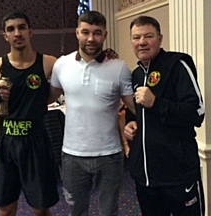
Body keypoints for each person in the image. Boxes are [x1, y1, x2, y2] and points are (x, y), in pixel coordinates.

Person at [49, 10, 135, 216]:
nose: (91, 38)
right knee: (76, 211)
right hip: (72, 155)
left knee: (109, 212)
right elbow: (48, 98)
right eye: (86, 32)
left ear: (105, 35)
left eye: (97, 33)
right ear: (77, 33)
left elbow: (134, 106)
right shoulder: (61, 65)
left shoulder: (119, 67)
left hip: (110, 156)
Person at [0, 11, 59, 216]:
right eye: (11, 29)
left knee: (40, 208)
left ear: (30, 31)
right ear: (5, 36)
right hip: (6, 141)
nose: (17, 33)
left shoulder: (49, 64)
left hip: (36, 139)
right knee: (6, 208)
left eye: (21, 27)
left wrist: (106, 55)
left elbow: (79, 66)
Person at [124, 15, 205, 216]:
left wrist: (156, 103)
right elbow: (139, 114)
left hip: (178, 176)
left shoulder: (177, 65)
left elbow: (197, 112)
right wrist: (131, 123)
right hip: (145, 178)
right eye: (136, 37)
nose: (141, 42)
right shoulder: (135, 74)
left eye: (148, 36)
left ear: (160, 39)